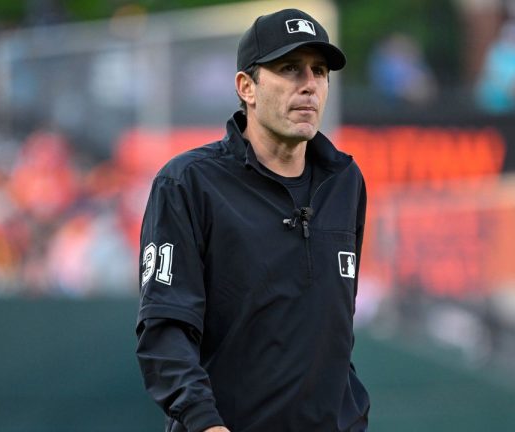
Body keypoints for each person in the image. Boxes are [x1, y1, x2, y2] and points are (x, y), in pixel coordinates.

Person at [135, 8, 370, 432]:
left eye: (319, 71)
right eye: (289, 69)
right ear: (247, 87)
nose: (309, 85)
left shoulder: (345, 182)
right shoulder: (187, 182)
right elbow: (164, 331)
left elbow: (335, 330)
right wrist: (205, 423)